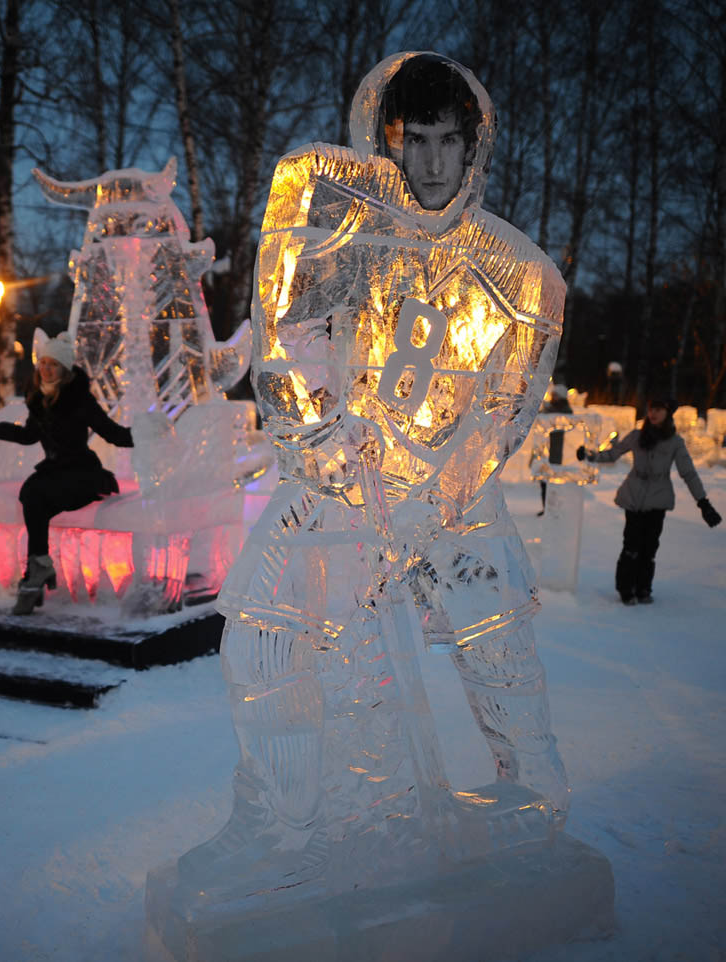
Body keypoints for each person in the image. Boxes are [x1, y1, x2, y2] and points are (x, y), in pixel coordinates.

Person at [177, 52, 569, 901]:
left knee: (498, 658)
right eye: (413, 141)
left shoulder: (522, 277)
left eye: (446, 142)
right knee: (260, 635)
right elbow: (281, 334)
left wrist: (429, 507)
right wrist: (318, 441)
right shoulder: (344, 222)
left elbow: (503, 414)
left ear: (475, 149)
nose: (429, 163)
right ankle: (285, 819)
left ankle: (534, 792)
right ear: (388, 143)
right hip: (344, 483)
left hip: (450, 504)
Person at [0, 332, 133, 615]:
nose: (46, 368)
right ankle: (39, 567)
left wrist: (149, 434)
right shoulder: (39, 399)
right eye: (43, 362)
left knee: (37, 494)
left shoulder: (79, 399)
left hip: (82, 474)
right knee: (31, 494)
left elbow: (113, 434)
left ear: (65, 369)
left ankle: (36, 574)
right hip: (55, 472)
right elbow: (30, 436)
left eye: (53, 364)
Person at [577, 397, 721, 605]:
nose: (653, 413)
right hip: (634, 496)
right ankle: (626, 589)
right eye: (651, 408)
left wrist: (703, 503)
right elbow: (613, 454)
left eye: (658, 409)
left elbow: (688, 473)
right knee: (631, 545)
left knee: (649, 547)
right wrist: (589, 455)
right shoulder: (637, 436)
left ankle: (643, 588)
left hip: (658, 499)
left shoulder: (675, 442)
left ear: (668, 413)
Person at [537, 383, 573, 515]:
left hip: (556, 451)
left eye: (555, 396)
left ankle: (553, 507)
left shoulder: (565, 409)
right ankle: (546, 508)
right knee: (543, 481)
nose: (553, 398)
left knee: (552, 480)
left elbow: (564, 417)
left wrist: (549, 409)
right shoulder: (550, 408)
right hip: (545, 448)